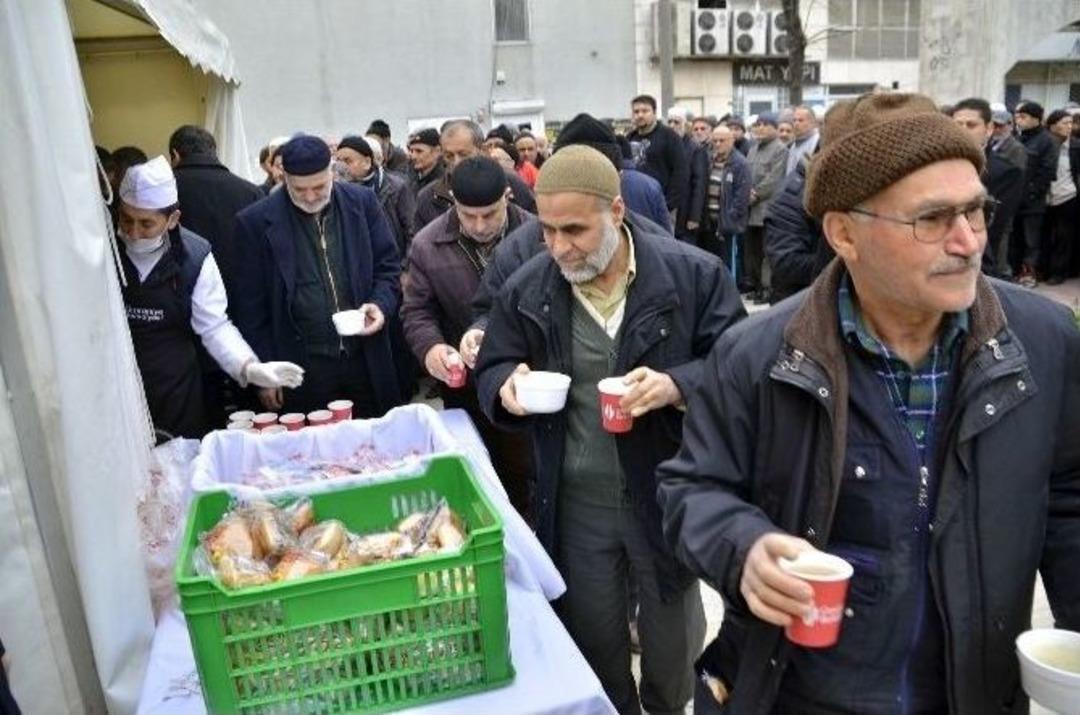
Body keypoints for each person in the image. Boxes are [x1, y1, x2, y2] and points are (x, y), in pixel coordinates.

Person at [658, 92, 1080, 714]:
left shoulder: (1044, 341)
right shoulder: (757, 355)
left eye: (976, 212)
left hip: (973, 693)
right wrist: (743, 546)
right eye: (932, 219)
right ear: (844, 233)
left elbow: (1071, 500)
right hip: (800, 693)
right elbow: (691, 489)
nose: (967, 241)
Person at [475, 145, 746, 715]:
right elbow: (493, 365)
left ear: (617, 212)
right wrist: (505, 386)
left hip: (666, 490)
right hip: (577, 501)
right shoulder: (529, 289)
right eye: (547, 229)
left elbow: (736, 366)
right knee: (595, 639)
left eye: (574, 229)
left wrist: (677, 385)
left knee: (672, 642)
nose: (558, 246)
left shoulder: (691, 275)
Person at [117, 157, 303, 440]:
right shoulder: (107, 248)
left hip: (174, 381)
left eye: (146, 224)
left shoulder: (195, 256)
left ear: (172, 220)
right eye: (126, 220)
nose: (133, 233)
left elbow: (214, 326)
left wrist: (250, 368)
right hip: (118, 377)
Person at [231, 134, 403, 417]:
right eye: (299, 189)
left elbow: (388, 266)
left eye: (319, 186)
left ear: (332, 172)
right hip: (301, 366)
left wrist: (380, 305)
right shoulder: (255, 223)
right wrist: (264, 370)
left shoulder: (362, 203)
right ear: (283, 177)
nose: (311, 197)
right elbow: (250, 306)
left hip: (365, 357)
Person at [402, 156, 535, 516]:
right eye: (468, 214)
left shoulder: (536, 236)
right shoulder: (429, 245)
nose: (479, 225)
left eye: (490, 214)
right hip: (465, 385)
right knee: (478, 478)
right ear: (453, 203)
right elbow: (416, 310)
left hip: (526, 380)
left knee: (528, 477)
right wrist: (431, 349)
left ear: (508, 196)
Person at [414, 119, 536, 229]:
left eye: (463, 154)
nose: (456, 162)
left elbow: (536, 231)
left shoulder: (511, 184)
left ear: (482, 150)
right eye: (449, 156)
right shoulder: (429, 197)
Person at [335, 135, 416, 264]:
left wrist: (406, 268)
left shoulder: (395, 187)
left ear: (367, 162)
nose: (342, 167)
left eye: (348, 161)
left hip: (394, 267)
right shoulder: (337, 193)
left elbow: (412, 231)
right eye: (338, 161)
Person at [1010, 100, 1058, 286]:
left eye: (1023, 116)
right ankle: (1013, 271)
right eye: (1017, 116)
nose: (1018, 120)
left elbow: (1047, 171)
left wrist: (1030, 193)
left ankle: (1029, 274)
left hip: (1032, 202)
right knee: (1015, 238)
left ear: (1036, 119)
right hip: (1014, 199)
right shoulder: (1018, 137)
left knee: (1031, 241)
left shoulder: (1047, 140)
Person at [744, 112, 789, 300]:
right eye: (757, 124)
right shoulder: (753, 149)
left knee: (766, 253)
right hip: (749, 210)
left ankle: (766, 288)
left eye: (765, 124)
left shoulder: (780, 149)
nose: (759, 128)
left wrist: (756, 193)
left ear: (774, 127)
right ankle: (754, 286)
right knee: (752, 252)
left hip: (766, 209)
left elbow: (775, 178)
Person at [627, 94, 690, 225]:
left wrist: (668, 205)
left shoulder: (669, 136)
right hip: (635, 207)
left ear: (654, 113)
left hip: (661, 207)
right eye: (636, 111)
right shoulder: (629, 138)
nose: (640, 115)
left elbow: (681, 172)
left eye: (645, 111)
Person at [704, 125, 751, 278]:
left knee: (729, 263)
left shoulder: (740, 163)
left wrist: (730, 218)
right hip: (710, 222)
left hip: (727, 223)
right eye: (715, 141)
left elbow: (741, 197)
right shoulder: (709, 159)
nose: (718, 144)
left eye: (722, 140)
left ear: (731, 141)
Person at [1042, 109, 1078, 284]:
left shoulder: (1076, 146)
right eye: (1065, 123)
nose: (1069, 127)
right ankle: (1043, 269)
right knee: (1044, 235)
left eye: (1071, 123)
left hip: (1068, 196)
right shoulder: (1044, 144)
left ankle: (1058, 272)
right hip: (1044, 197)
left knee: (1064, 237)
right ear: (1052, 125)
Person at [668, 107, 709, 243]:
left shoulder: (695, 149)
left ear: (686, 125)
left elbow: (699, 185)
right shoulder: (667, 146)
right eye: (670, 122)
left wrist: (694, 217)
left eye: (677, 122)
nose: (672, 126)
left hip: (686, 213)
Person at [406, 128, 445, 196]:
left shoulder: (444, 183)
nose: (413, 156)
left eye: (419, 151)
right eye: (411, 151)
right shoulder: (412, 178)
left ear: (437, 152)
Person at [785, 105, 820, 176]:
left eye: (801, 120)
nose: (796, 124)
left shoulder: (819, 143)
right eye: (794, 120)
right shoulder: (791, 145)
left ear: (812, 122)